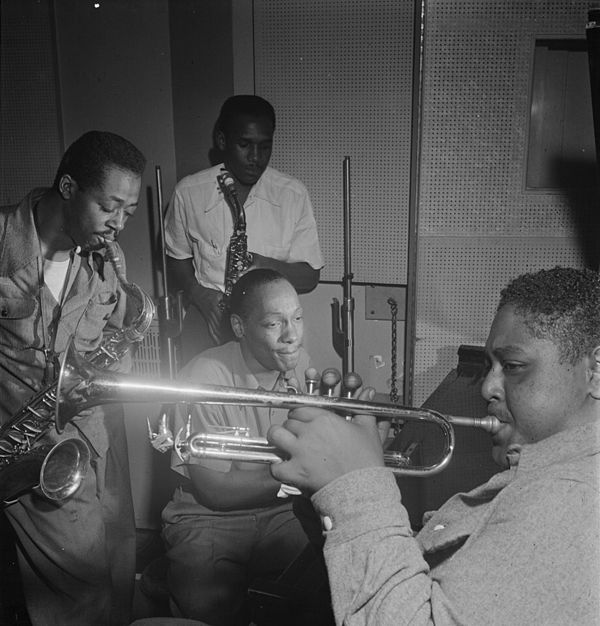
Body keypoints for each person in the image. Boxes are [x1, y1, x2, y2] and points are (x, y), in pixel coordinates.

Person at [267, 266, 600, 625]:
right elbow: (433, 580)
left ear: (595, 371)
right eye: (491, 366)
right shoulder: (549, 476)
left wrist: (355, 486)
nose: (488, 387)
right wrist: (331, 486)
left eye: (514, 366)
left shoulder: (572, 497)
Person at [0, 130, 147, 626]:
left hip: (90, 436)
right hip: (26, 445)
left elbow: (110, 347)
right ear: (68, 187)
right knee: (81, 597)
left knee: (118, 564)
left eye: (129, 212)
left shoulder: (107, 259)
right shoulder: (1, 244)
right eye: (110, 207)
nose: (119, 225)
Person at [161, 269, 312, 626]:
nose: (292, 335)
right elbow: (217, 492)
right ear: (241, 328)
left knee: (321, 583)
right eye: (275, 324)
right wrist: (300, 470)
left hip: (281, 512)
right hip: (207, 518)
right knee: (205, 612)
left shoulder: (300, 365)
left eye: (298, 318)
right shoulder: (204, 378)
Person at [164, 94, 324, 365]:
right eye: (244, 145)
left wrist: (265, 267)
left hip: (270, 324)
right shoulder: (189, 192)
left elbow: (310, 276)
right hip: (209, 318)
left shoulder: (292, 195)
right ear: (222, 141)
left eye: (265, 147)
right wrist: (198, 293)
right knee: (201, 401)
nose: (255, 158)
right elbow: (175, 257)